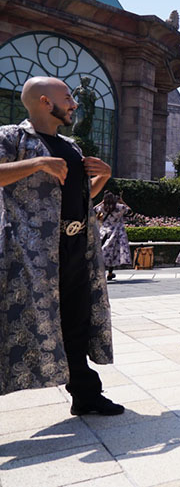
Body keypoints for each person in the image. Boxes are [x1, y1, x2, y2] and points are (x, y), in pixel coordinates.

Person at [0, 76, 119, 413]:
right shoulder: (12, 137)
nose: (74, 103)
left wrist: (104, 176)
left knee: (76, 321)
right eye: (67, 97)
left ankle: (85, 395)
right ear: (44, 101)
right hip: (30, 253)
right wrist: (37, 163)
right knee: (15, 321)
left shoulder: (72, 147)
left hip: (76, 247)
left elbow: (80, 197)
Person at [94, 192, 131, 281]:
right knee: (113, 253)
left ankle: (99, 270)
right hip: (115, 232)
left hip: (104, 232)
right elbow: (130, 212)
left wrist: (102, 202)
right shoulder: (120, 207)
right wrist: (122, 201)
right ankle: (110, 273)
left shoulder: (102, 207)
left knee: (100, 251)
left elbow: (93, 209)